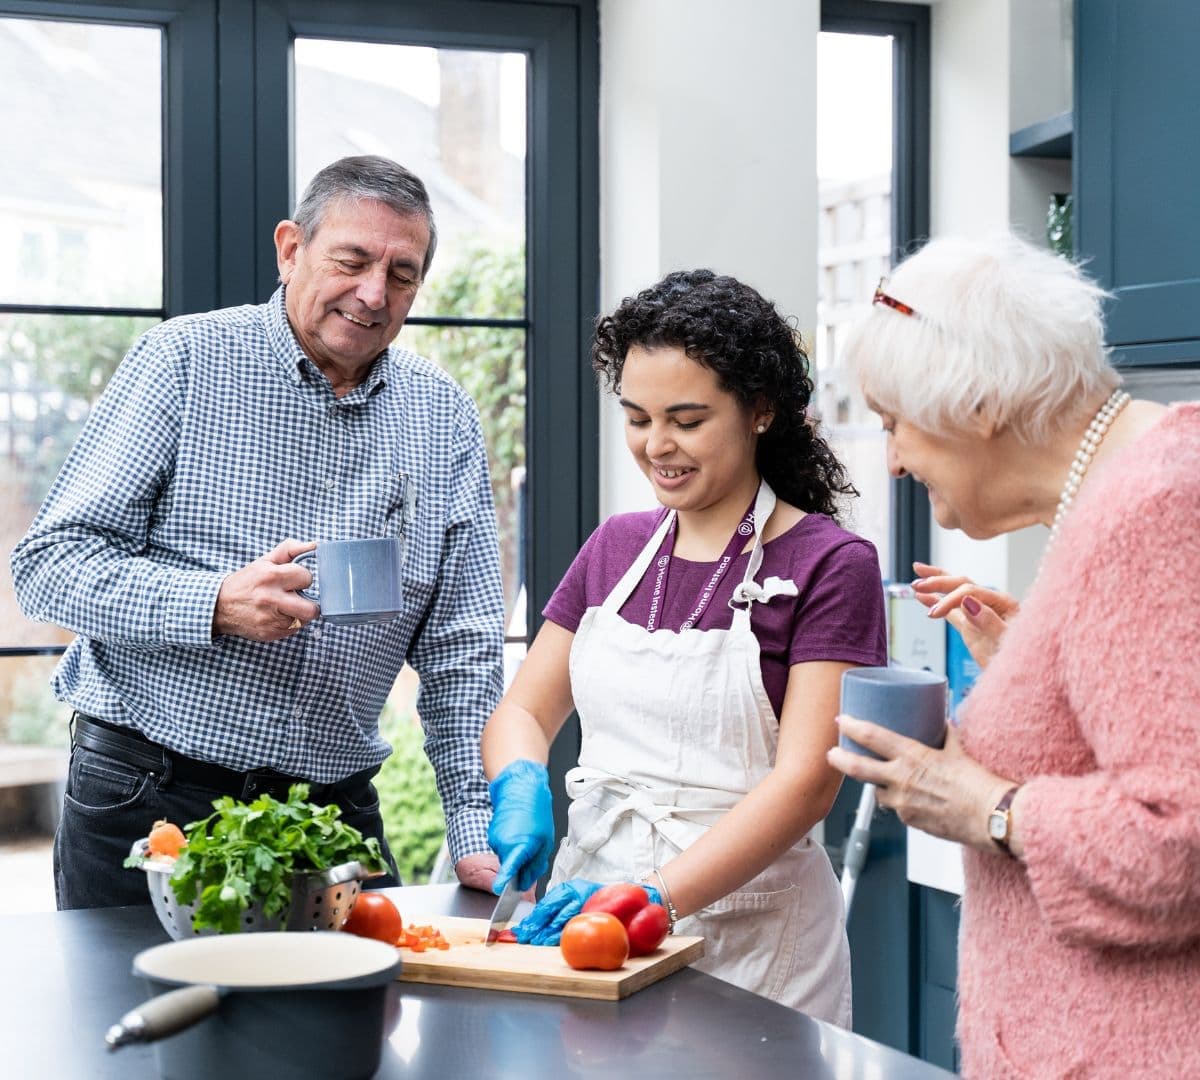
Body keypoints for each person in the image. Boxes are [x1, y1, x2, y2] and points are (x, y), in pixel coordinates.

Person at [10, 155, 506, 909]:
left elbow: (461, 648)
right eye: (352, 260)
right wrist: (212, 603)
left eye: (402, 275)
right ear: (290, 249)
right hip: (151, 801)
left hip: (331, 811)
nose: (374, 293)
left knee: (349, 1027)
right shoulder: (183, 360)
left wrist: (475, 823)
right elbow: (51, 563)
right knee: (146, 1026)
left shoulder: (444, 418)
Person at [828, 234, 1200, 1076]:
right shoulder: (1137, 483)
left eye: (894, 425)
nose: (890, 462)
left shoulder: (1153, 509)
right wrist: (1036, 672)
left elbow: (1183, 838)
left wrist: (988, 807)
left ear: (980, 402)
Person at [481, 269, 888, 1023]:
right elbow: (525, 713)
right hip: (588, 921)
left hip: (757, 944)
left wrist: (656, 898)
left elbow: (805, 783)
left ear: (760, 410)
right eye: (637, 418)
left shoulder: (831, 564)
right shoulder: (615, 547)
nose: (656, 445)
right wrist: (519, 783)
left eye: (687, 420)